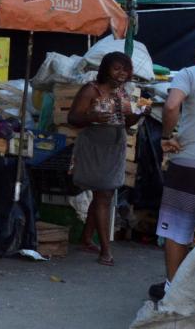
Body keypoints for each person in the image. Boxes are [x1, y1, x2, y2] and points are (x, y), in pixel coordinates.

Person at [148, 30, 195, 301]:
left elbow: (171, 106)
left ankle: (173, 289)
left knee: (178, 228)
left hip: (191, 164)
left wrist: (167, 137)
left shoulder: (189, 73)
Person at [67, 51, 142, 267]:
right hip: (94, 146)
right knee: (104, 194)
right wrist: (91, 117)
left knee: (103, 194)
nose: (121, 73)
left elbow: (127, 122)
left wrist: (139, 113)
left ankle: (87, 240)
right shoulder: (91, 90)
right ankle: (105, 251)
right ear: (106, 69)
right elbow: (73, 118)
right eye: (117, 68)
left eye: (125, 69)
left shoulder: (122, 93)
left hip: (114, 145)